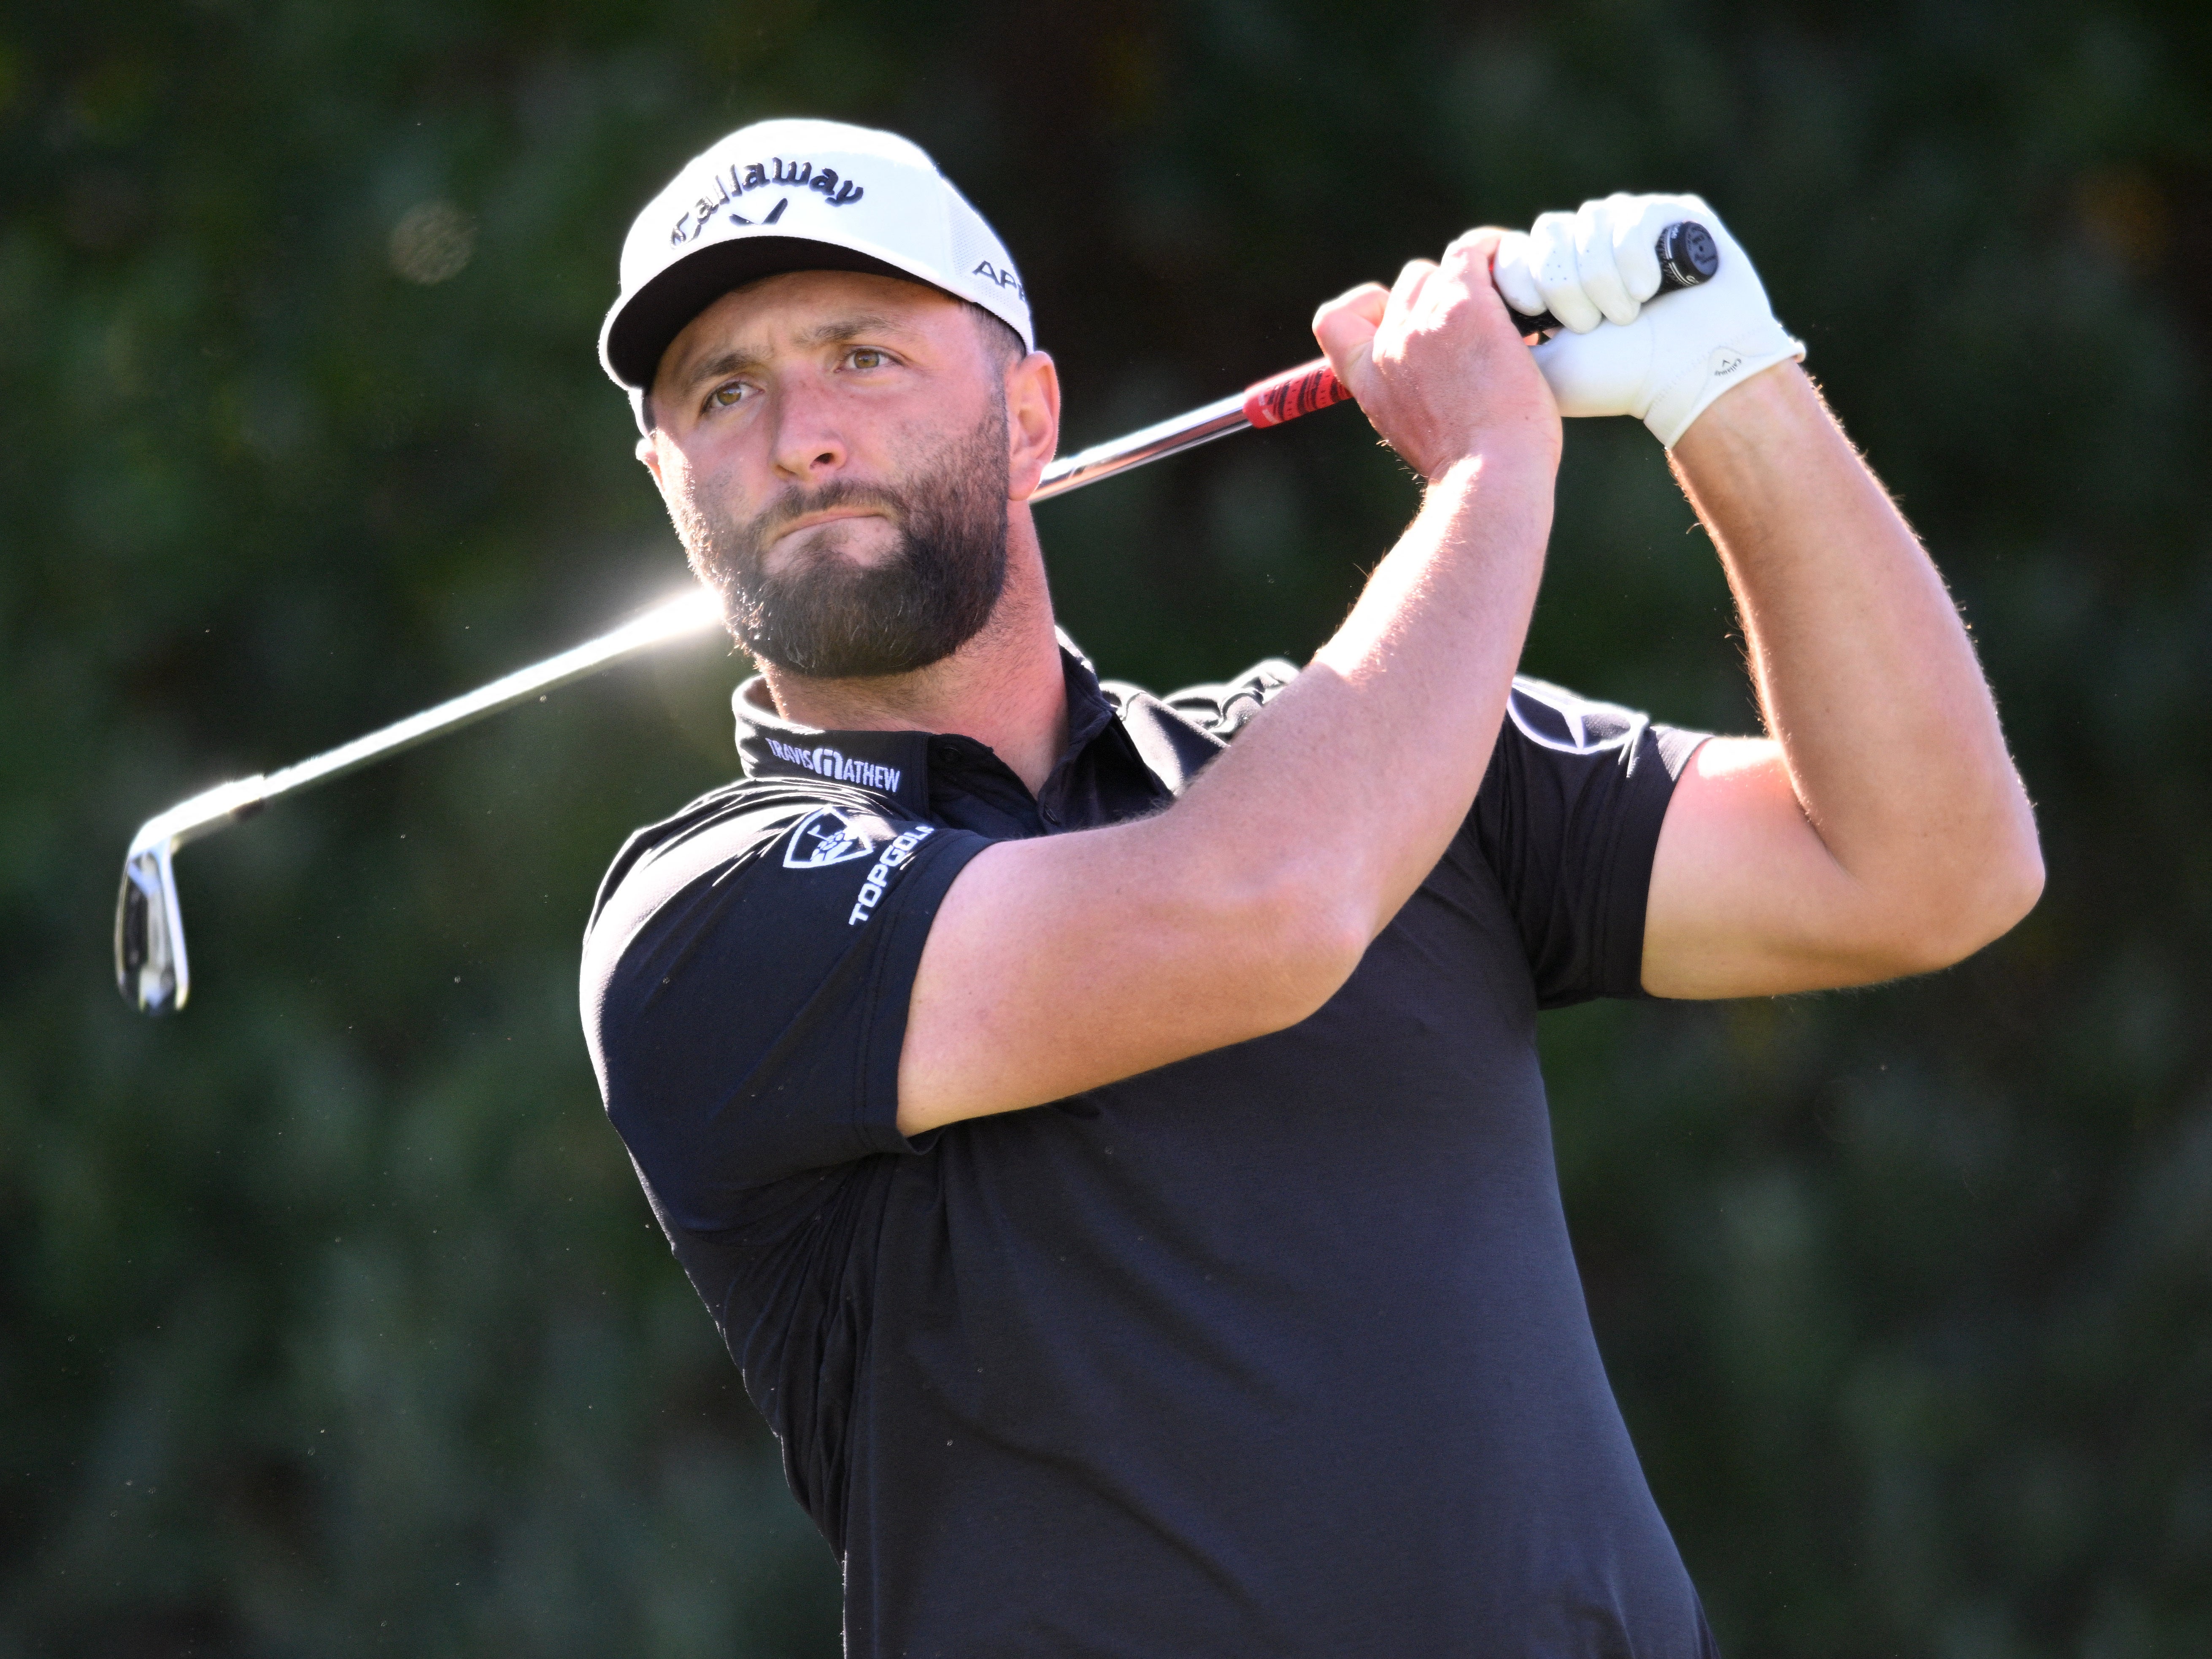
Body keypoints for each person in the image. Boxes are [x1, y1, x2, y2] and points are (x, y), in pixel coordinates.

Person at [579, 118, 2041, 1656]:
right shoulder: (709, 915)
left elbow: (1927, 868)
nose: (800, 432)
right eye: (722, 393)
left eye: (863, 355)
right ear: (668, 477)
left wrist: (1731, 391)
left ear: (1029, 419)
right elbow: (1257, 912)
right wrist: (1486, 466)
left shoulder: (1365, 750)